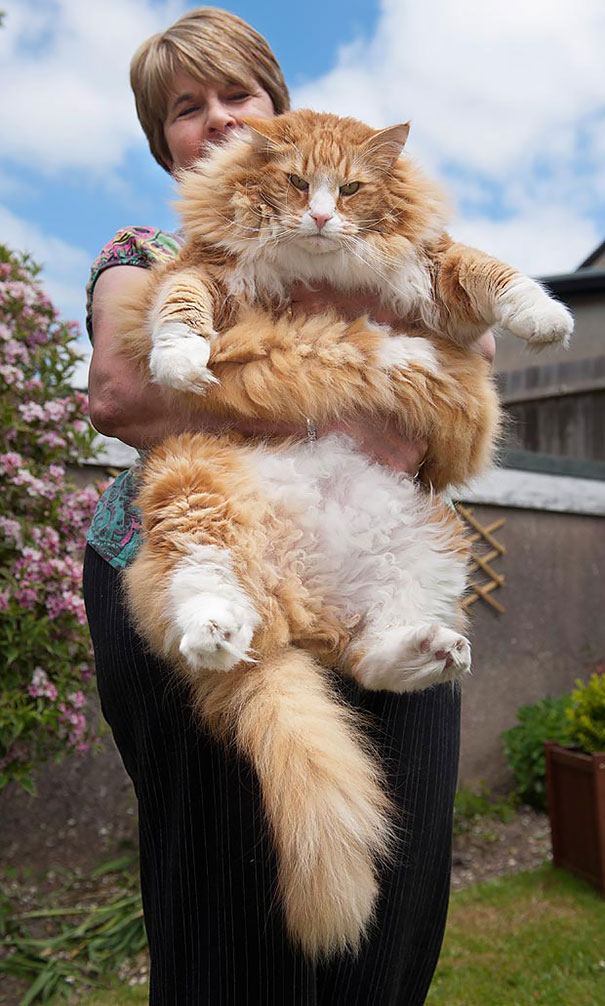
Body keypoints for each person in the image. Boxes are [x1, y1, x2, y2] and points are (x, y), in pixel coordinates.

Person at [83, 8, 495, 1004]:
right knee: (233, 893)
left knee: (398, 888)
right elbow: (121, 390)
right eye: (187, 108)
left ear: (281, 106)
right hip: (204, 554)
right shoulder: (150, 247)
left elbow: (469, 354)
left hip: (369, 556)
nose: (218, 119)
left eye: (238, 95)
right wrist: (350, 393)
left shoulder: (366, 221)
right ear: (161, 138)